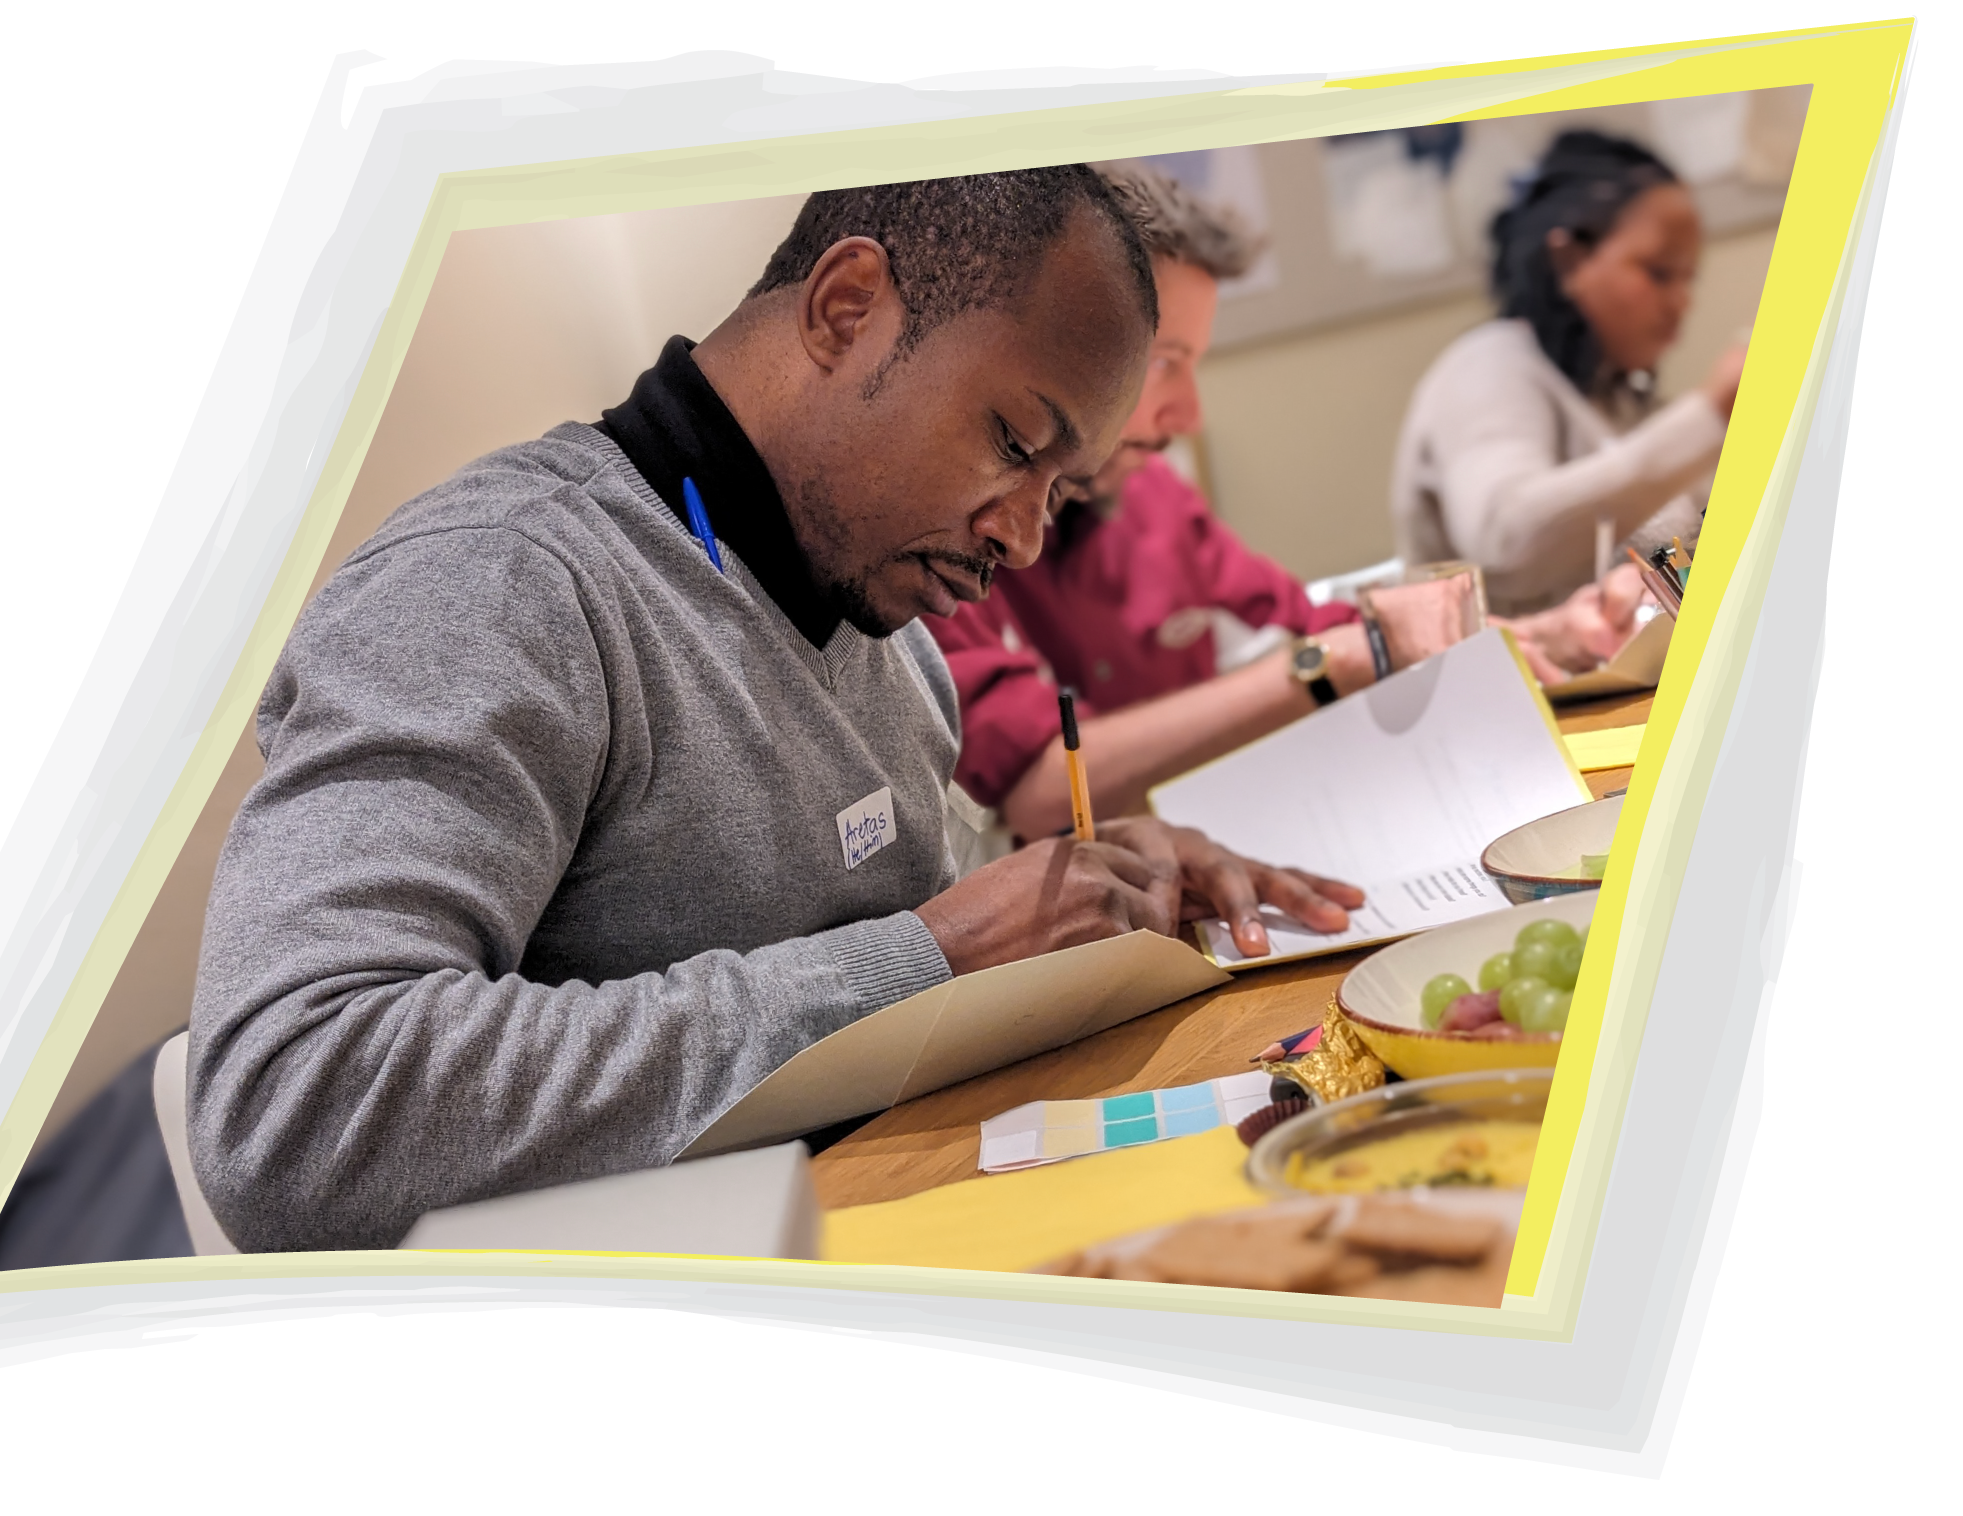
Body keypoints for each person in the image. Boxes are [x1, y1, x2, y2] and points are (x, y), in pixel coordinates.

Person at [186, 168, 1367, 1254]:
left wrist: (1083, 878)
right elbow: (293, 1106)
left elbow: (916, 937)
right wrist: (935, 953)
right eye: (1011, 443)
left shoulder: (890, 639)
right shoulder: (504, 582)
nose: (1018, 535)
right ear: (846, 307)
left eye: (1060, 489)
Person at [930, 163, 1602, 850]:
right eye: (1162, 364)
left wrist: (1538, 635)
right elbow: (1037, 794)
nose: (1187, 415)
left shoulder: (1152, 496)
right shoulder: (948, 534)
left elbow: (1309, 624)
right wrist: (1332, 663)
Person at [1390, 130, 1747, 619]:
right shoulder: (1487, 367)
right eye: (1659, 273)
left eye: (1688, 278)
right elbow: (1506, 545)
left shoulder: (1615, 392)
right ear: (1569, 259)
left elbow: (1676, 562)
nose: (1682, 302)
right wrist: (1711, 413)